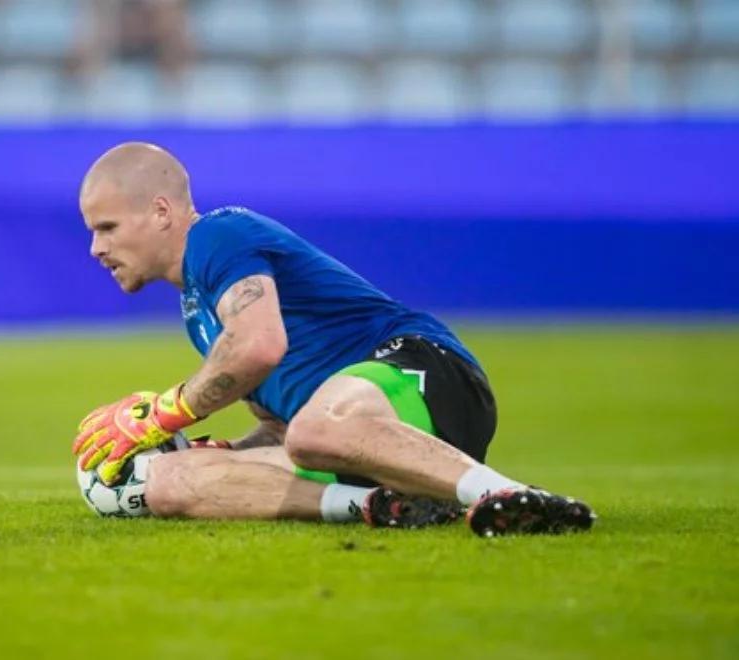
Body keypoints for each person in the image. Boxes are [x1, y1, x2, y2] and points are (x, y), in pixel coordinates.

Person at [72, 142, 595, 536]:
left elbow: (258, 347)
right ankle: (382, 506)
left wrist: (165, 412)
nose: (96, 248)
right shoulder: (199, 313)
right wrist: (230, 449)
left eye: (108, 227)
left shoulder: (216, 236)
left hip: (423, 370)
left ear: (161, 212)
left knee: (314, 431)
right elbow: (280, 425)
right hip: (351, 438)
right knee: (166, 480)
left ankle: (513, 496)